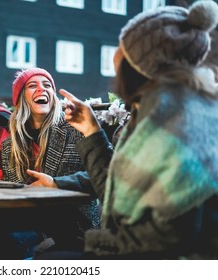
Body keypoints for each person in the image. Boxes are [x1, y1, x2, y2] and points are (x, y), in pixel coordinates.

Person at [38, 0, 218, 259]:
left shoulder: (175, 126)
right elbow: (119, 184)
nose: (115, 54)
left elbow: (165, 243)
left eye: (123, 46)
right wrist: (91, 132)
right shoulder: (163, 108)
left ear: (140, 65)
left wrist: (93, 242)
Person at [2, 67, 100, 258]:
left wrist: (57, 184)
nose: (42, 89)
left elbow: (105, 176)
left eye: (47, 85)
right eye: (32, 85)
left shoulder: (75, 129)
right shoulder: (9, 145)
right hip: (28, 226)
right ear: (21, 98)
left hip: (74, 229)